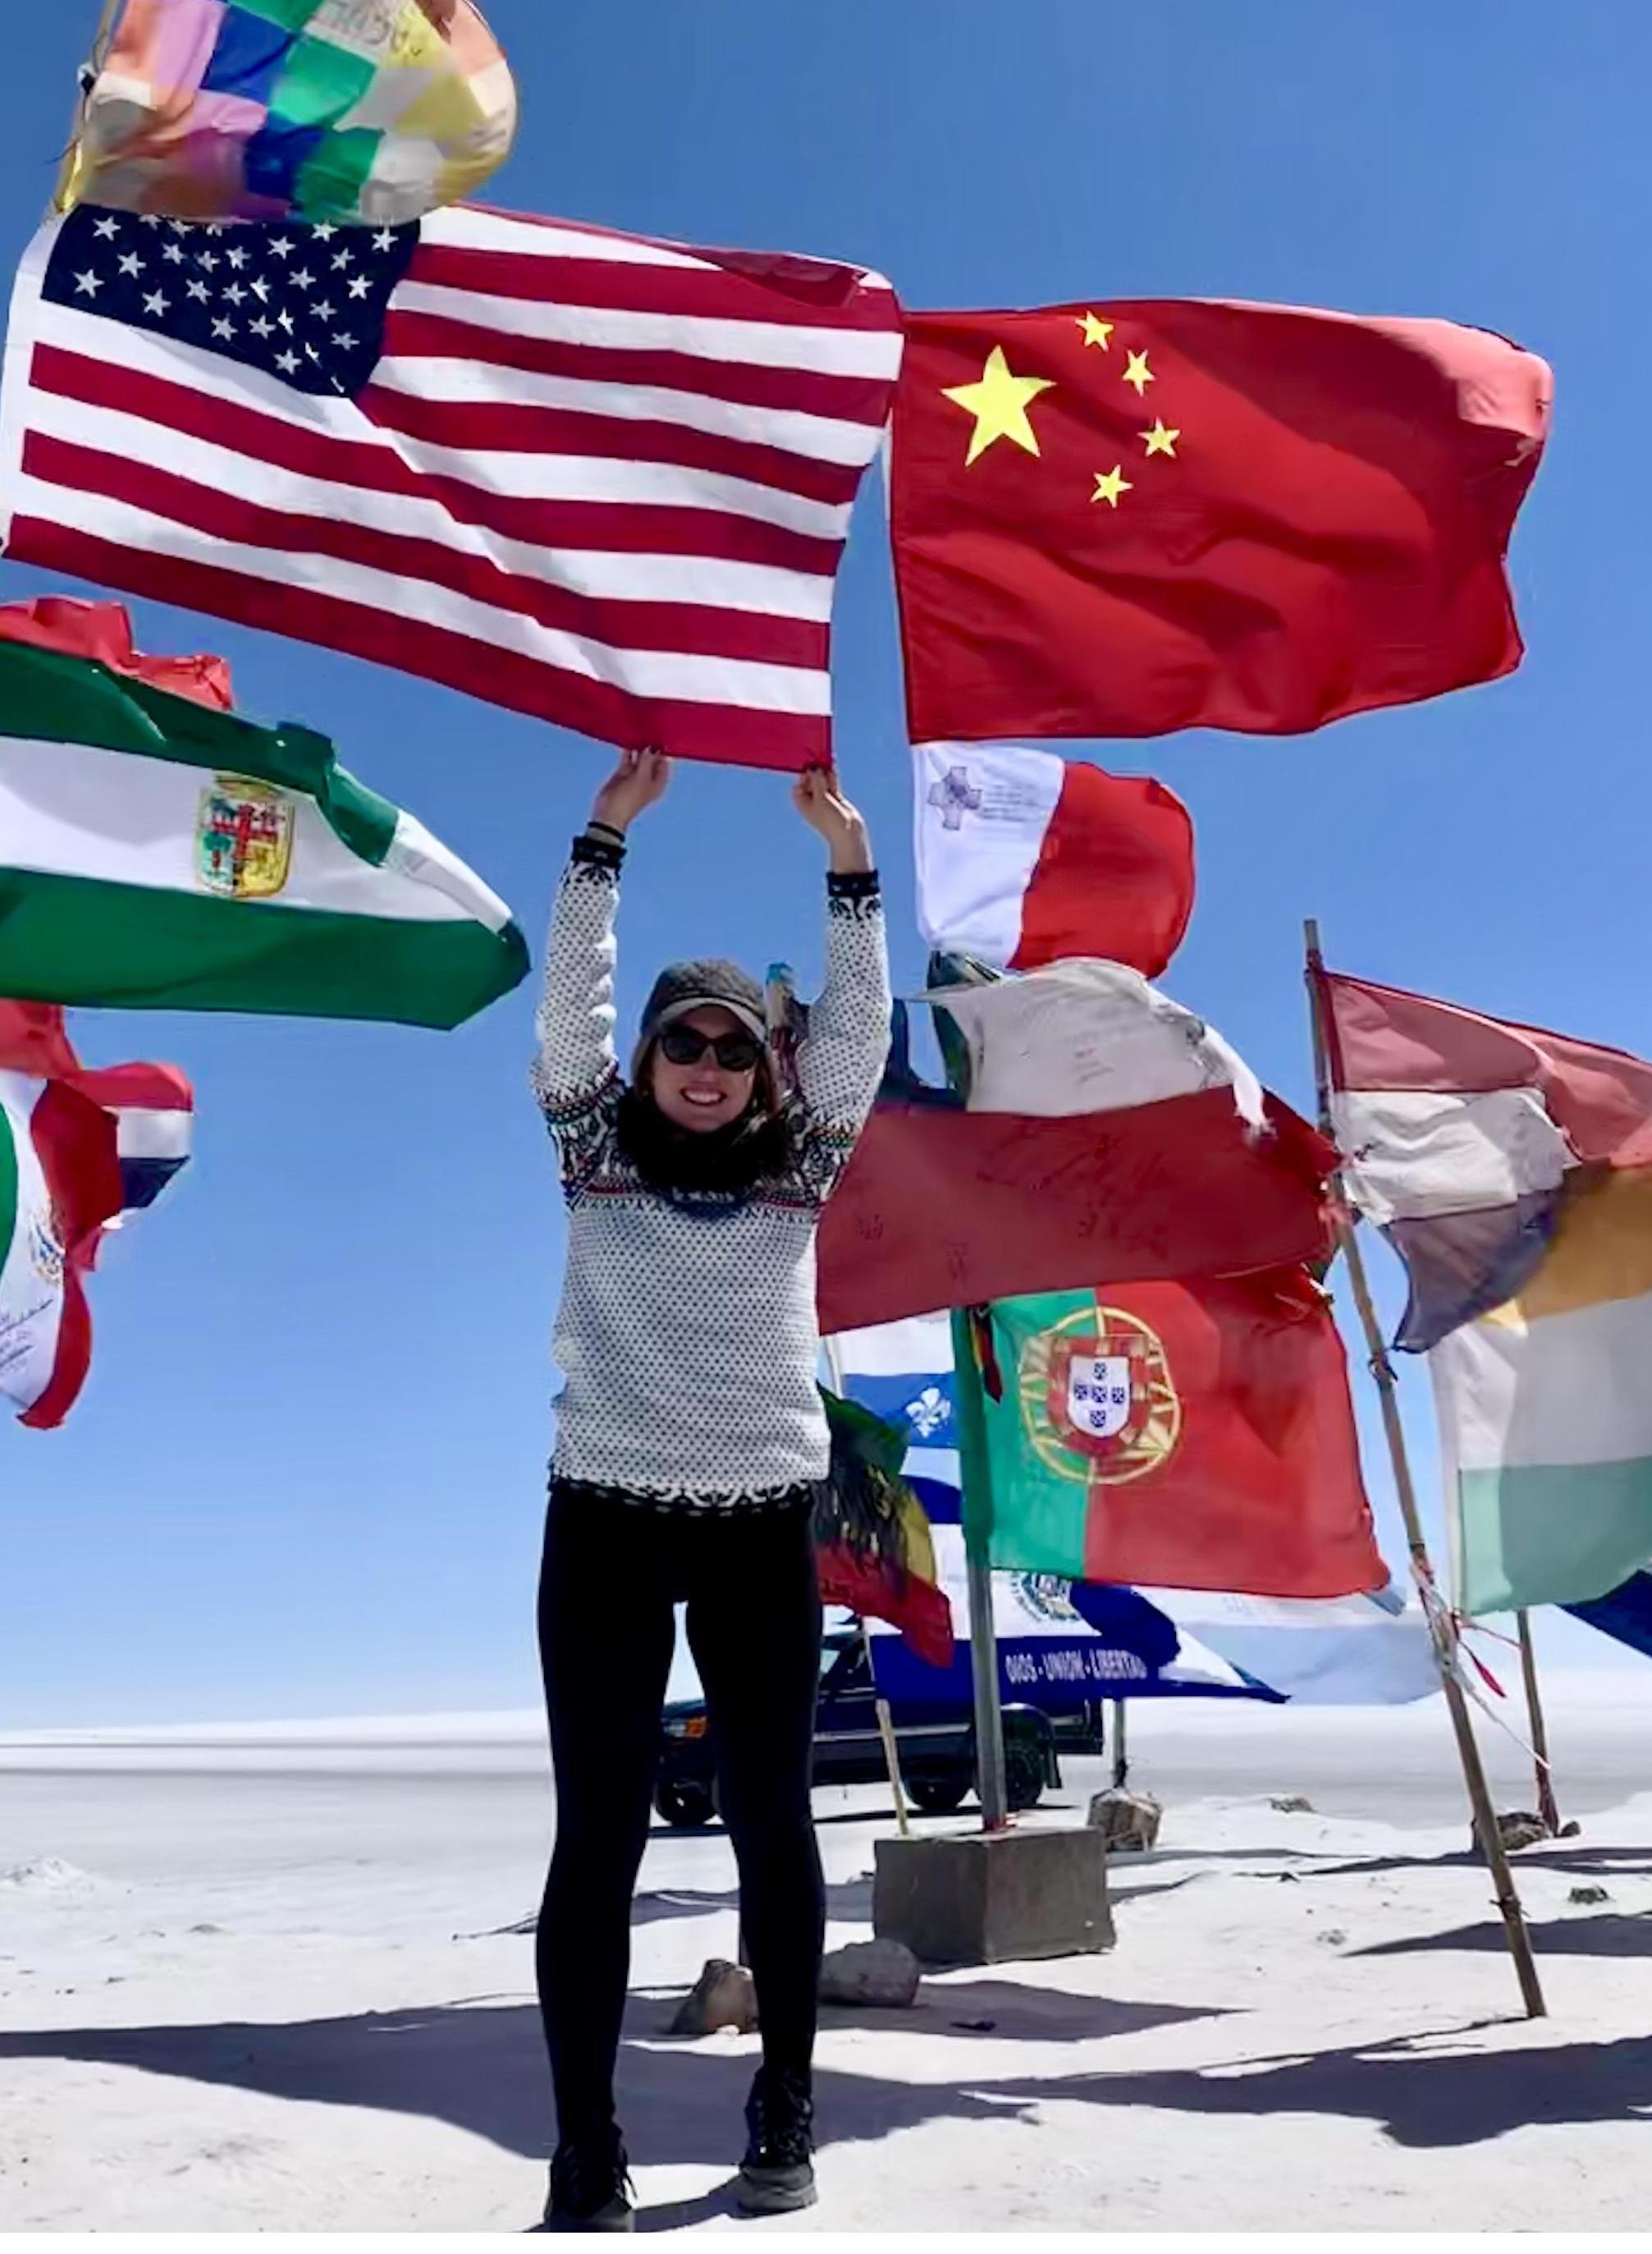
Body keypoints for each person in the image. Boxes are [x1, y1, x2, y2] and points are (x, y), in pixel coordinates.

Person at [531, 749, 890, 2229]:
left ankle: (784, 2113)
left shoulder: (803, 1160)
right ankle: (584, 2148)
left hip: (756, 1532)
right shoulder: (586, 1143)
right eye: (681, 1040)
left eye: (732, 1045)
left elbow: (858, 1025)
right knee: (598, 1834)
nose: (703, 1062)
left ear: (764, 1065)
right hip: (604, 1519)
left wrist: (849, 868)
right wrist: (605, 836)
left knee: (771, 1828)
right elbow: (570, 1006)